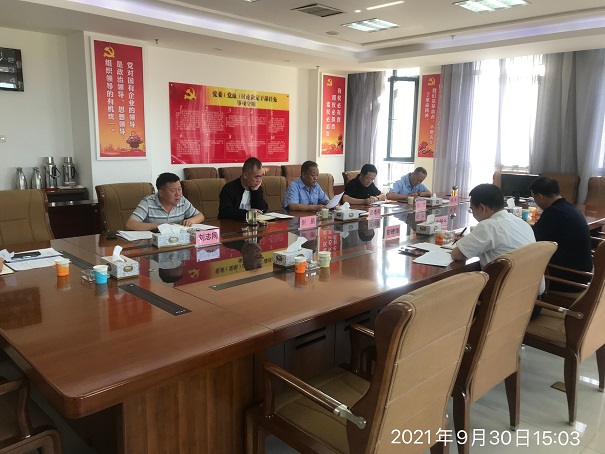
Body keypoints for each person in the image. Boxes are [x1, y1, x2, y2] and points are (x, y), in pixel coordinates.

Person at [451, 184, 538, 271]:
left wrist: (465, 245)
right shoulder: (521, 222)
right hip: (531, 278)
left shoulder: (487, 226)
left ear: (482, 208)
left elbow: (457, 255)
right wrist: (468, 241)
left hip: (504, 279)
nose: (472, 213)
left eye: (472, 210)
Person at [529, 176, 592, 293]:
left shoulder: (553, 212)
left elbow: (532, 239)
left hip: (568, 279)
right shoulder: (570, 208)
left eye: (534, 198)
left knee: (524, 265)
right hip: (583, 274)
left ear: (540, 197)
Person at [126, 172, 205, 230]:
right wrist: (160, 226)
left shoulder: (182, 200)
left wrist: (191, 220)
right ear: (161, 193)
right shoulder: (148, 202)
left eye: (179, 189)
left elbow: (200, 216)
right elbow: (130, 224)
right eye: (173, 190)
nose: (178, 194)